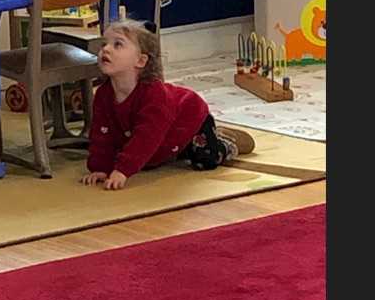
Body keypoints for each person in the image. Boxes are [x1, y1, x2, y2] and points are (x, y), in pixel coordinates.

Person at [82, 19, 254, 191]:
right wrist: (101, 168)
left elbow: (146, 136)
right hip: (164, 136)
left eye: (117, 44)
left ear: (140, 61)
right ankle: (180, 149)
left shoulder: (154, 94)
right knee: (146, 157)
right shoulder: (103, 95)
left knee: (206, 159)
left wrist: (123, 170)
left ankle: (224, 141)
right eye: (104, 44)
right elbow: (101, 134)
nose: (106, 49)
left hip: (190, 119)